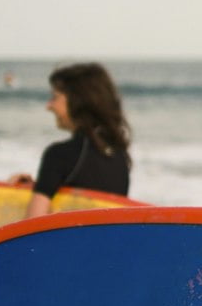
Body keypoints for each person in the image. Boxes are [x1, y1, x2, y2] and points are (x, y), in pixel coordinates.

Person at [7, 62, 132, 214]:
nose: (49, 106)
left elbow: (33, 225)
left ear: (77, 100)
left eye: (55, 97)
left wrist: (39, 191)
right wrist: (44, 184)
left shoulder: (59, 154)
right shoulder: (120, 156)